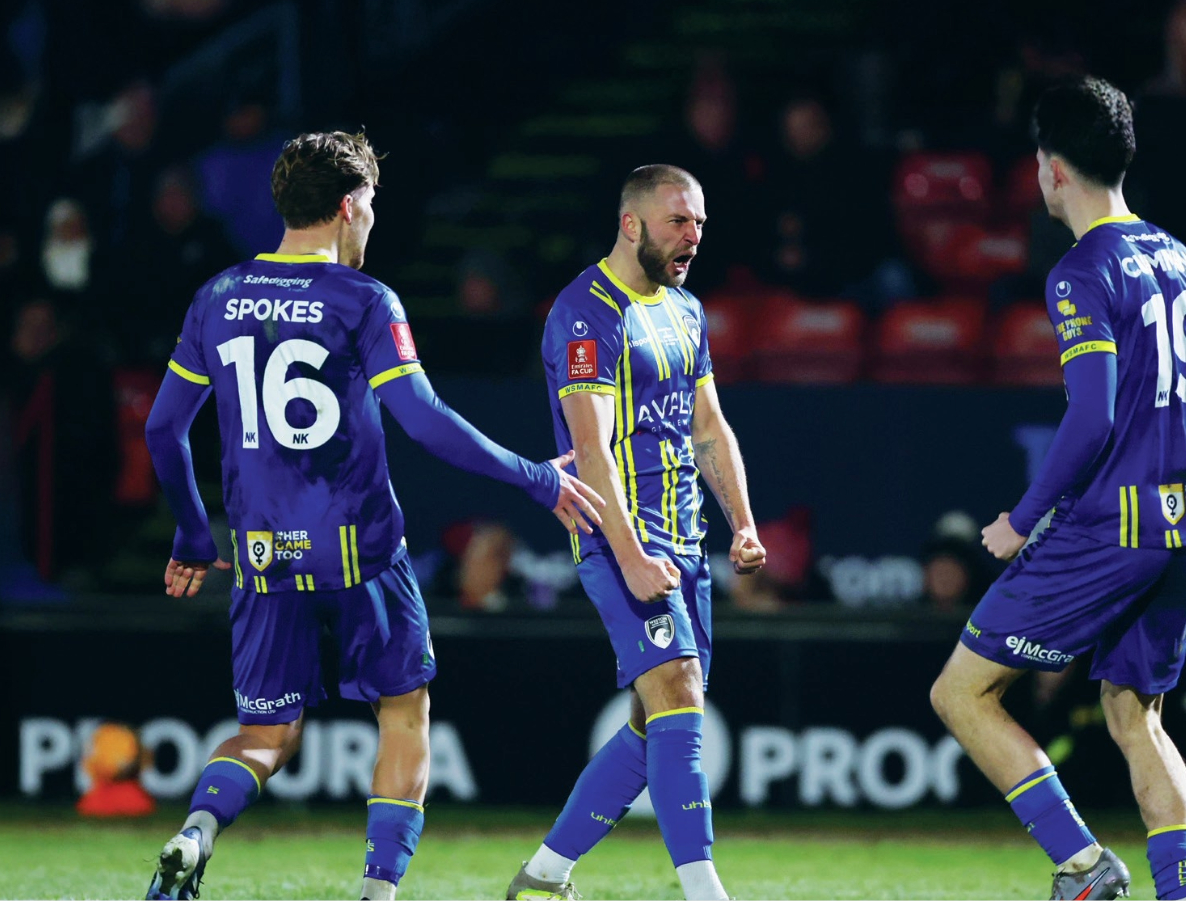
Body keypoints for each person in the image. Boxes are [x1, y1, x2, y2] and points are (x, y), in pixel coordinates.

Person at [141, 130, 603, 901]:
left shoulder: (216, 296)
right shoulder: (364, 300)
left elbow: (163, 429)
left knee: (264, 735)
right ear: (350, 206)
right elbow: (421, 419)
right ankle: (376, 892)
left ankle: (196, 832)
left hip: (262, 554)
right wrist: (534, 477)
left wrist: (194, 533)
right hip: (361, 551)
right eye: (374, 208)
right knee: (403, 709)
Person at [928, 77, 1186, 901]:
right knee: (1136, 714)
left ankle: (1082, 863)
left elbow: (1092, 416)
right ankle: (1179, 894)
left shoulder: (1081, 271)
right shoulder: (1182, 260)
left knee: (961, 690)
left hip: (1113, 528)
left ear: (1051, 167)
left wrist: (1022, 520)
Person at [506, 165, 765, 901]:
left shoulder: (685, 309)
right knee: (681, 693)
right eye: (679, 221)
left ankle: (544, 874)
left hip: (684, 541)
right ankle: (705, 890)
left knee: (653, 724)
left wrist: (741, 524)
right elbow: (591, 450)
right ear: (631, 223)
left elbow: (708, 427)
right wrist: (630, 554)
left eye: (701, 223)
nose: (693, 237)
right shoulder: (585, 312)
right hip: (622, 541)